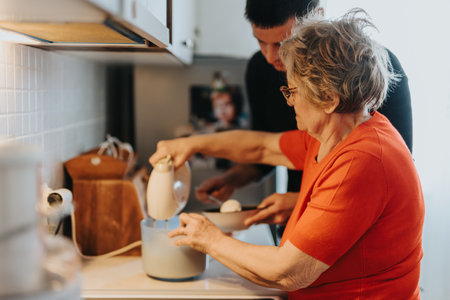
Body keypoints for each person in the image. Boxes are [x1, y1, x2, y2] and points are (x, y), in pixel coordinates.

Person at [149, 10, 424, 298]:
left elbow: (288, 271)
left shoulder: (362, 160)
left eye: (293, 90)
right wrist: (191, 144)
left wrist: (210, 240)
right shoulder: (332, 135)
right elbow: (261, 147)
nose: (290, 101)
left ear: (329, 99)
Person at [194, 0, 413, 231]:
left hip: (356, 229)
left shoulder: (373, 68)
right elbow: (264, 150)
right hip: (296, 224)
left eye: (282, 43)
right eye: (260, 42)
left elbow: (391, 175)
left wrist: (301, 202)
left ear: (317, 15)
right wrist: (231, 179)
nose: (270, 57)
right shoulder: (260, 69)